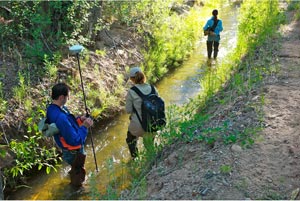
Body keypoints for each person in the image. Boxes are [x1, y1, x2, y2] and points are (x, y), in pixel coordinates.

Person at [46, 83, 94, 186]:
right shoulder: (60, 117)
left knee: (75, 167)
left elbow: (69, 125)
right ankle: (76, 190)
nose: (69, 98)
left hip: (68, 149)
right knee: (79, 172)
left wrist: (80, 120)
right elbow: (75, 140)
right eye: (68, 96)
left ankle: (73, 173)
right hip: (73, 151)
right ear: (61, 97)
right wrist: (85, 126)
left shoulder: (52, 109)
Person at [125, 67, 158, 159]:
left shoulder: (132, 92)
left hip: (138, 125)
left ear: (132, 79)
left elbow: (128, 110)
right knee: (149, 144)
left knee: (130, 139)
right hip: (153, 123)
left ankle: (135, 158)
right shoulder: (153, 88)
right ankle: (151, 160)